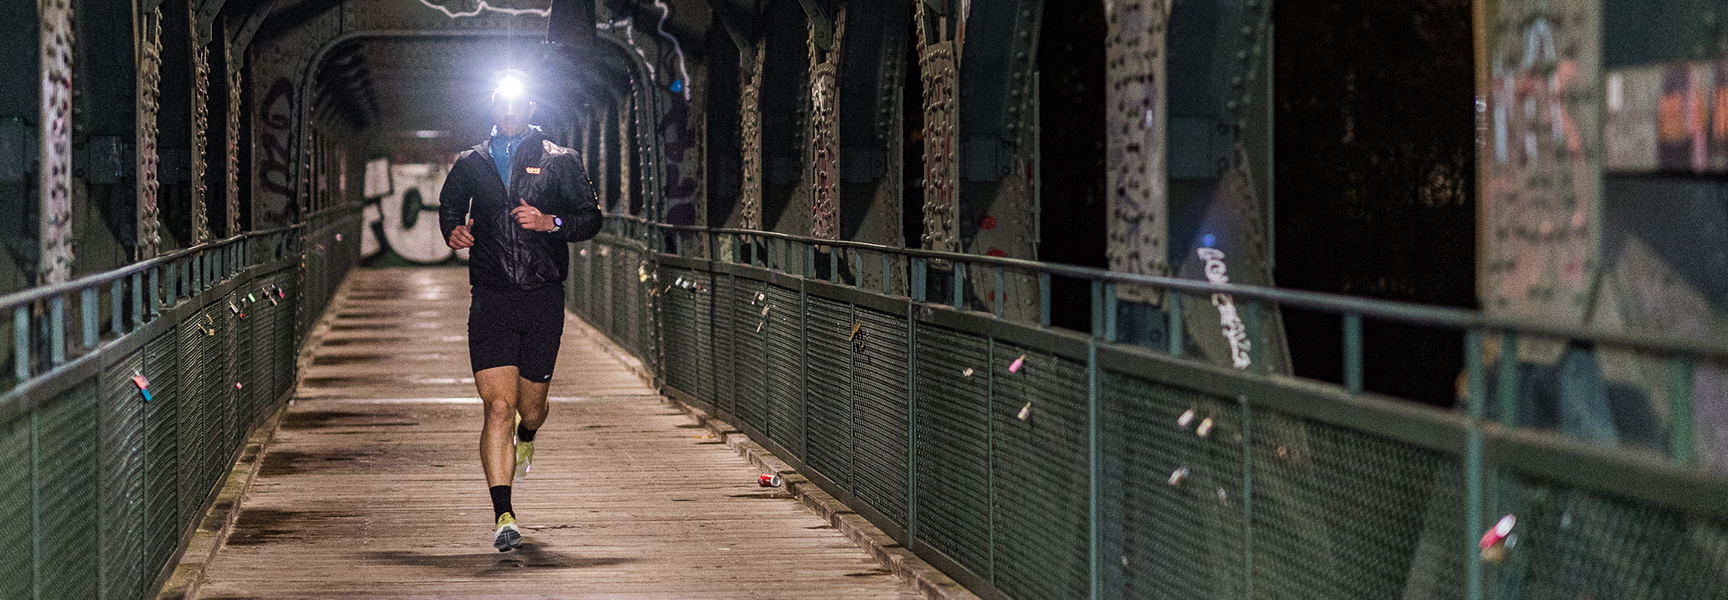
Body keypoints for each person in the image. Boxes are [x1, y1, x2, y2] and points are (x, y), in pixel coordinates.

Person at [439, 69, 602, 552]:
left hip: (542, 296)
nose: (509, 112)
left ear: (531, 109)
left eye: (518, 104)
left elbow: (590, 217)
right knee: (496, 409)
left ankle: (528, 433)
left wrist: (550, 221)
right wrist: (454, 231)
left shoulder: (560, 160)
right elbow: (449, 206)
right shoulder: (472, 162)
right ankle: (503, 515)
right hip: (490, 297)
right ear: (494, 107)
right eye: (501, 104)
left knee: (528, 408)